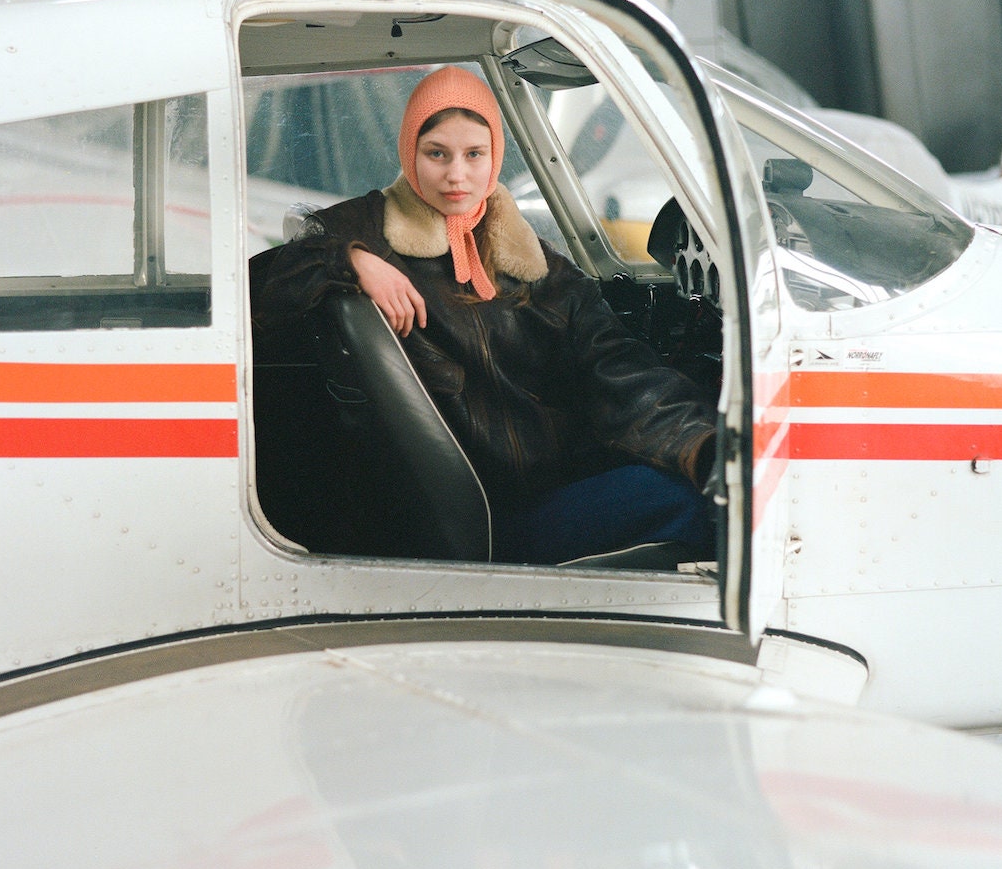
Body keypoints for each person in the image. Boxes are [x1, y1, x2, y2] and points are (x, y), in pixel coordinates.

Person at [250, 66, 717, 566]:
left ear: (495, 157)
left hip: (518, 491)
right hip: (499, 514)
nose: (457, 175)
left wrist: (704, 447)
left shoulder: (540, 268)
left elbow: (622, 370)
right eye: (436, 154)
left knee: (702, 482)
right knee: (706, 507)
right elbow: (265, 281)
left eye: (475, 155)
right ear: (410, 152)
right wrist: (354, 260)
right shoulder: (367, 228)